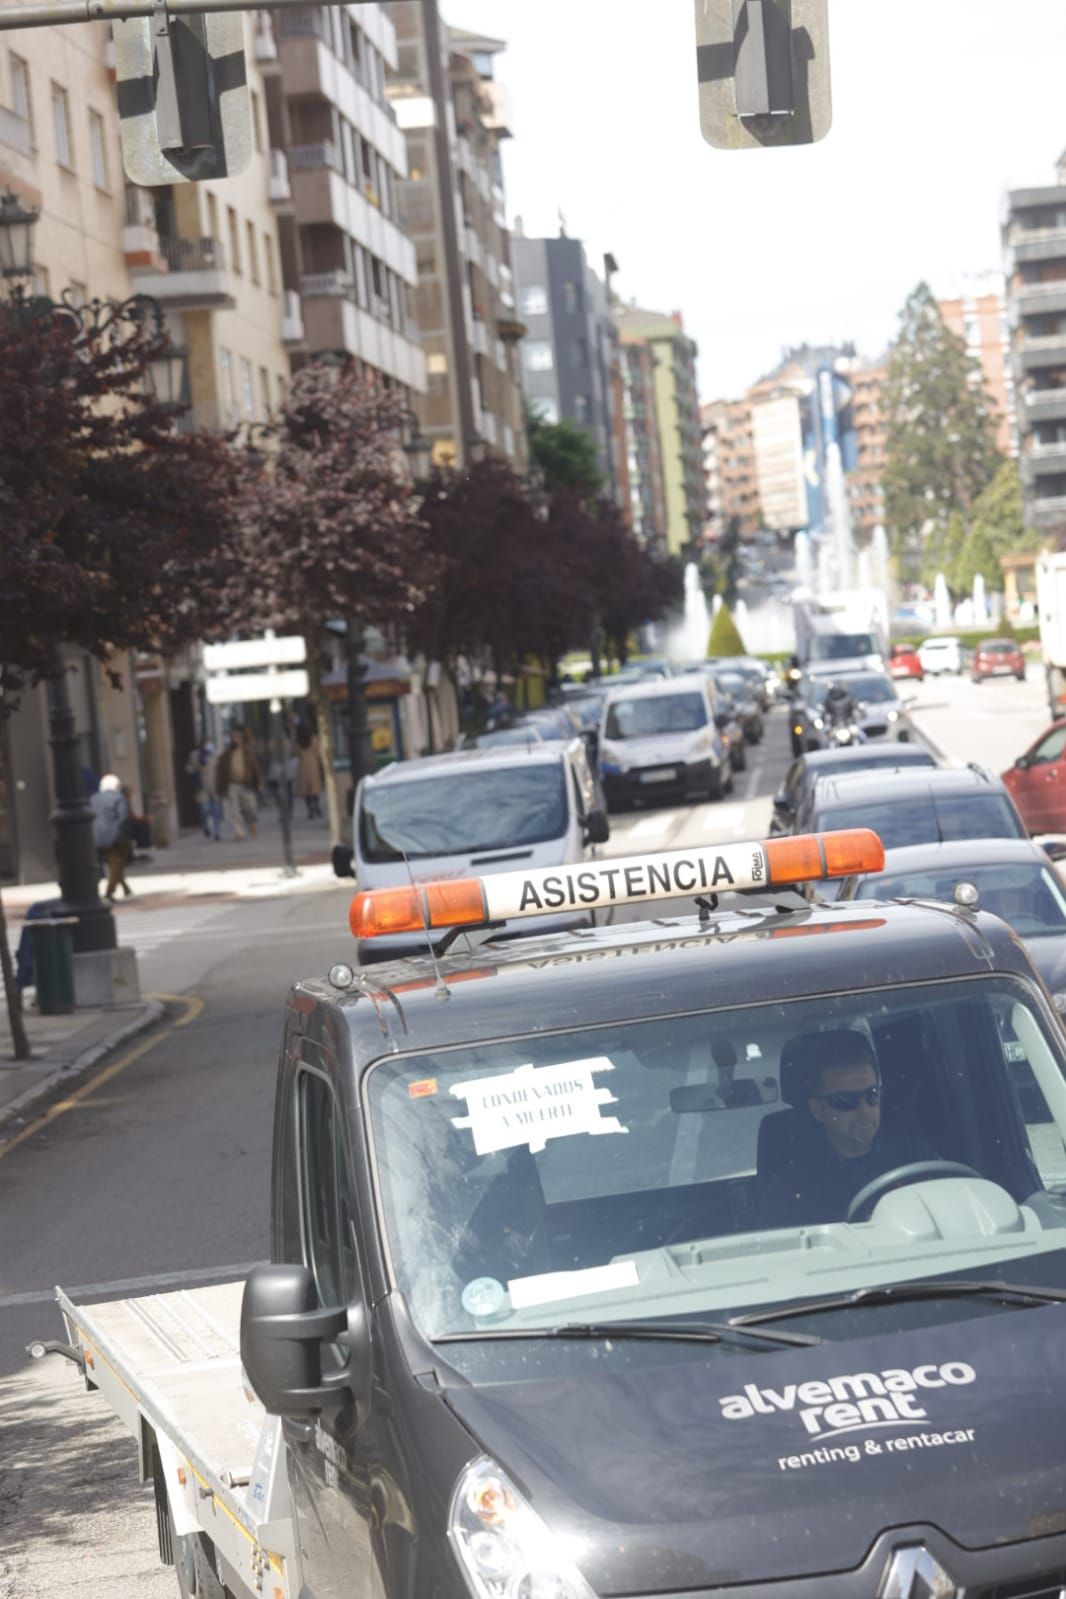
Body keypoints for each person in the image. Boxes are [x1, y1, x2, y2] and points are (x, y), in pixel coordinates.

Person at [758, 1031, 935, 1228]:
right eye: (845, 1101)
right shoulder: (791, 1188)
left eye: (872, 1094)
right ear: (818, 1110)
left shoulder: (914, 1154)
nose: (864, 1110)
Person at [90, 774, 133, 900]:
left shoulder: (94, 798)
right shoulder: (118, 798)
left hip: (97, 836)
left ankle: (125, 887)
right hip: (115, 835)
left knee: (114, 864)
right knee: (117, 863)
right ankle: (110, 891)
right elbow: (123, 817)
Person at [216, 726, 263, 841]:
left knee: (250, 808)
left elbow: (255, 767)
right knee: (234, 810)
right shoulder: (226, 754)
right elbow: (220, 771)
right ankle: (239, 833)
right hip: (232, 784)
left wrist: (260, 781)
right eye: (233, 737)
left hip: (245, 783)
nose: (235, 739)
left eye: (237, 737)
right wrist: (219, 787)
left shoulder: (247, 752)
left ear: (242, 739)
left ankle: (251, 823)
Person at [186, 738, 222, 841]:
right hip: (202, 787)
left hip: (214, 787)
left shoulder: (215, 755)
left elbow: (220, 770)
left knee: (216, 811)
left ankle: (217, 832)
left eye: (210, 742)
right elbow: (190, 767)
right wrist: (192, 770)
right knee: (204, 809)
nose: (208, 745)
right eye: (207, 742)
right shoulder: (195, 755)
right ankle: (206, 826)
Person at [295, 722, 324, 820]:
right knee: (314, 787)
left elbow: (294, 752)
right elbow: (319, 751)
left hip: (303, 765)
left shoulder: (298, 741)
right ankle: (317, 807)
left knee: (306, 789)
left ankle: (310, 810)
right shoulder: (313, 739)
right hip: (313, 765)